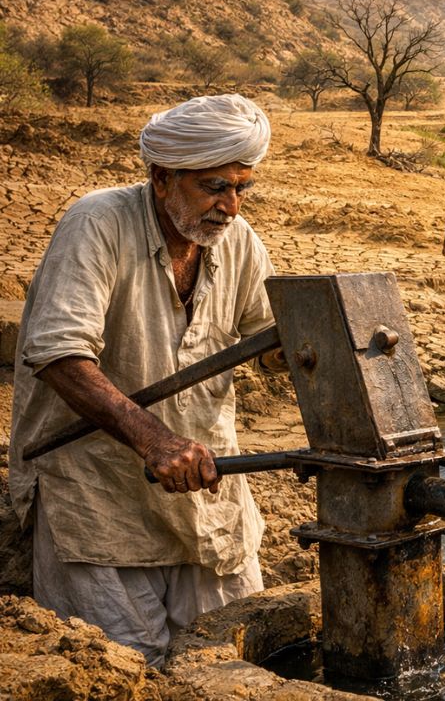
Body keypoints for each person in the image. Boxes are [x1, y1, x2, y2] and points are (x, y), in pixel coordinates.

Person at [8, 94, 276, 667]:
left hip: (206, 489)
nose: (230, 206)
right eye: (214, 187)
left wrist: (313, 348)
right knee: (124, 668)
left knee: (235, 664)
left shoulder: (240, 241)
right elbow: (58, 354)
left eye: (241, 188)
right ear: (161, 178)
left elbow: (272, 338)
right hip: (98, 494)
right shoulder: (97, 223)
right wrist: (155, 441)